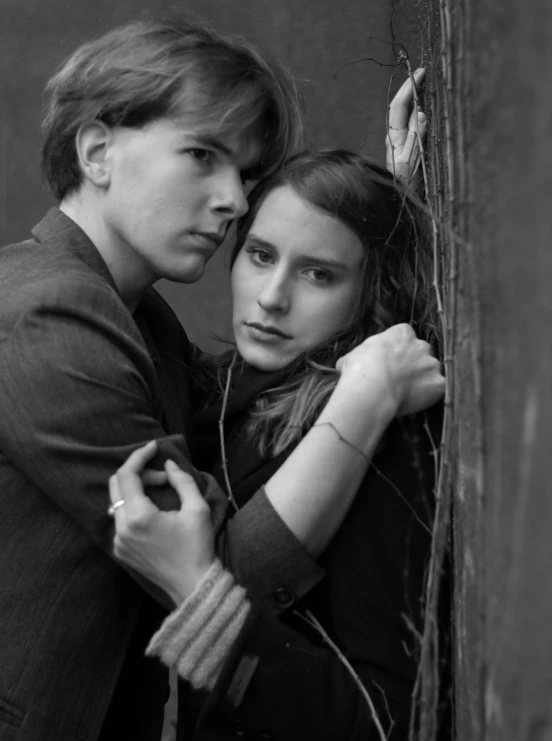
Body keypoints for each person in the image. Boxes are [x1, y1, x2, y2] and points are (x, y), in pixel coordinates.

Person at [0, 16, 432, 741]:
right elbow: (214, 567)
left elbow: (254, 394)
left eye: (247, 173)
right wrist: (366, 399)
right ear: (99, 150)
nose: (232, 198)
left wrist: (394, 212)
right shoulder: (49, 316)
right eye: (202, 155)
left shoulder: (141, 317)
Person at [109, 149, 446, 740]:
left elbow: (386, 720)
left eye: (319, 274)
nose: (271, 297)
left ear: (372, 291)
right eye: (261, 256)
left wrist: (205, 611)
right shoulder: (224, 389)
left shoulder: (385, 437)